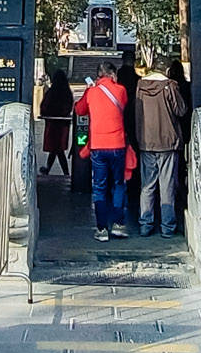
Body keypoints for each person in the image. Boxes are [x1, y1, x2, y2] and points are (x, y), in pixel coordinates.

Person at [133, 55, 190, 237]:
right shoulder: (169, 86)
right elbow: (181, 110)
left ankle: (145, 224)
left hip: (146, 141)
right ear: (166, 70)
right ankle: (167, 227)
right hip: (167, 141)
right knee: (167, 186)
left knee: (147, 185)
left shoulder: (140, 86)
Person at [75, 63, 130, 242]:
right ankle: (118, 224)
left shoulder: (92, 92)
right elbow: (123, 105)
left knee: (99, 187)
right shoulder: (121, 90)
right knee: (118, 184)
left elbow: (79, 110)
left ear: (99, 75)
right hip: (117, 144)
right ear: (113, 74)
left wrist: (88, 90)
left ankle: (101, 229)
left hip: (98, 145)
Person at [39, 71, 74, 177]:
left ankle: (58, 171)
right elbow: (69, 106)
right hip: (63, 124)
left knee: (55, 149)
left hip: (52, 123)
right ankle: (62, 171)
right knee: (58, 149)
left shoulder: (51, 92)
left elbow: (44, 106)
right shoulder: (67, 92)